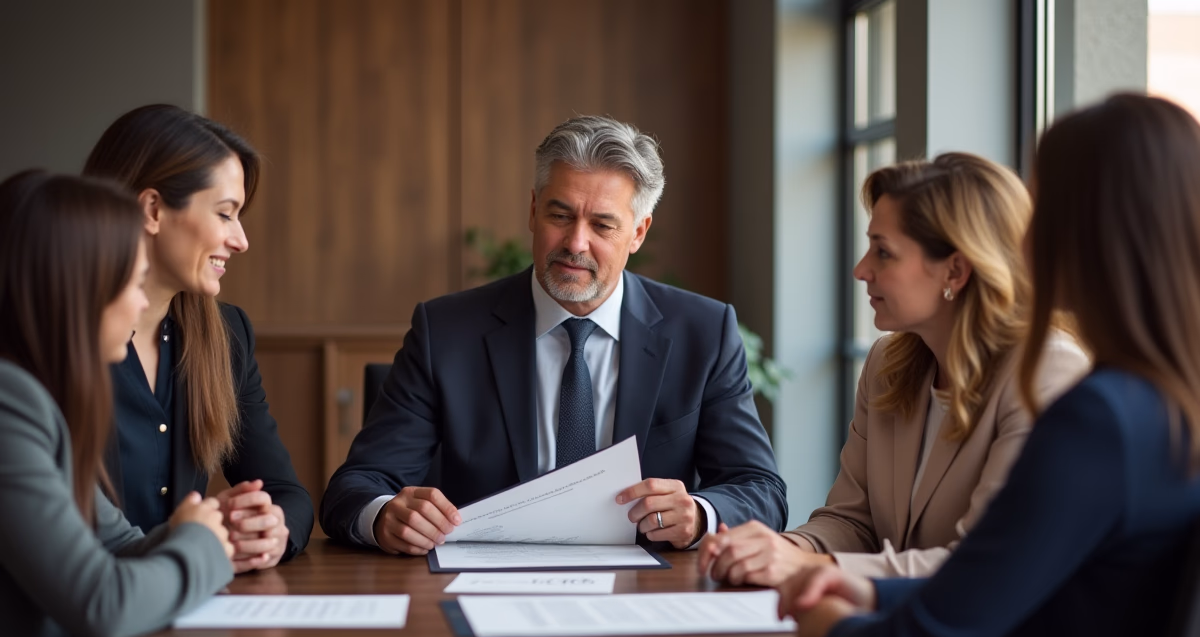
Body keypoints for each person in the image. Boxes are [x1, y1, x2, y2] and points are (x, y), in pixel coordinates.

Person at [778, 94, 1200, 637]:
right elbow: (1009, 586)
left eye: (1041, 205)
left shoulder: (1098, 416)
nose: (1023, 240)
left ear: (1090, 232)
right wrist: (876, 592)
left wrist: (829, 632)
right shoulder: (1165, 403)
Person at [321, 115, 787, 554]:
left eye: (603, 225)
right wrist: (384, 517)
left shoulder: (703, 332)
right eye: (560, 216)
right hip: (481, 591)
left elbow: (761, 489)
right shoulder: (445, 331)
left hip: (645, 595)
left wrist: (702, 515)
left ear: (638, 232)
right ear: (532, 210)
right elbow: (355, 486)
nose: (576, 243)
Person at [698, 153, 1088, 586]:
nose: (861, 270)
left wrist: (810, 567)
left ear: (955, 271)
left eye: (883, 252)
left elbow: (986, 566)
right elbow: (852, 522)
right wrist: (784, 549)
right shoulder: (889, 363)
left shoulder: (1046, 374)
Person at [0, 171, 234, 637]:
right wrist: (198, 543)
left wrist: (205, 532)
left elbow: (117, 543)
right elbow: (101, 603)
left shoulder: (42, 394)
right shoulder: (8, 402)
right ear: (76, 291)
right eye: (133, 282)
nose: (144, 303)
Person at [83, 104, 312, 573]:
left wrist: (271, 530)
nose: (241, 240)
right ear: (152, 210)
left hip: (184, 608)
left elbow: (288, 494)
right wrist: (195, 542)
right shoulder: (51, 339)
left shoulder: (227, 335)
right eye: (226, 214)